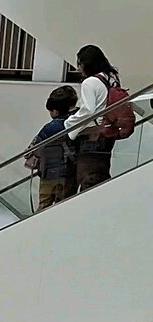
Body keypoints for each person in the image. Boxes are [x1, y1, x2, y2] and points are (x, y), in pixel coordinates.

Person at [66, 45, 121, 192]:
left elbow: (88, 110)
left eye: (80, 63)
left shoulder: (90, 82)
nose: (78, 68)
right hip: (109, 132)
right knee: (100, 173)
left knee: (88, 177)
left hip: (93, 135)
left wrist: (69, 125)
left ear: (86, 64)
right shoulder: (111, 77)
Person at [29, 86, 80, 211]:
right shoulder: (80, 119)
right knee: (64, 209)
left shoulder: (50, 128)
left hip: (49, 174)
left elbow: (33, 148)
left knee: (43, 207)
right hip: (71, 174)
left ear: (55, 111)